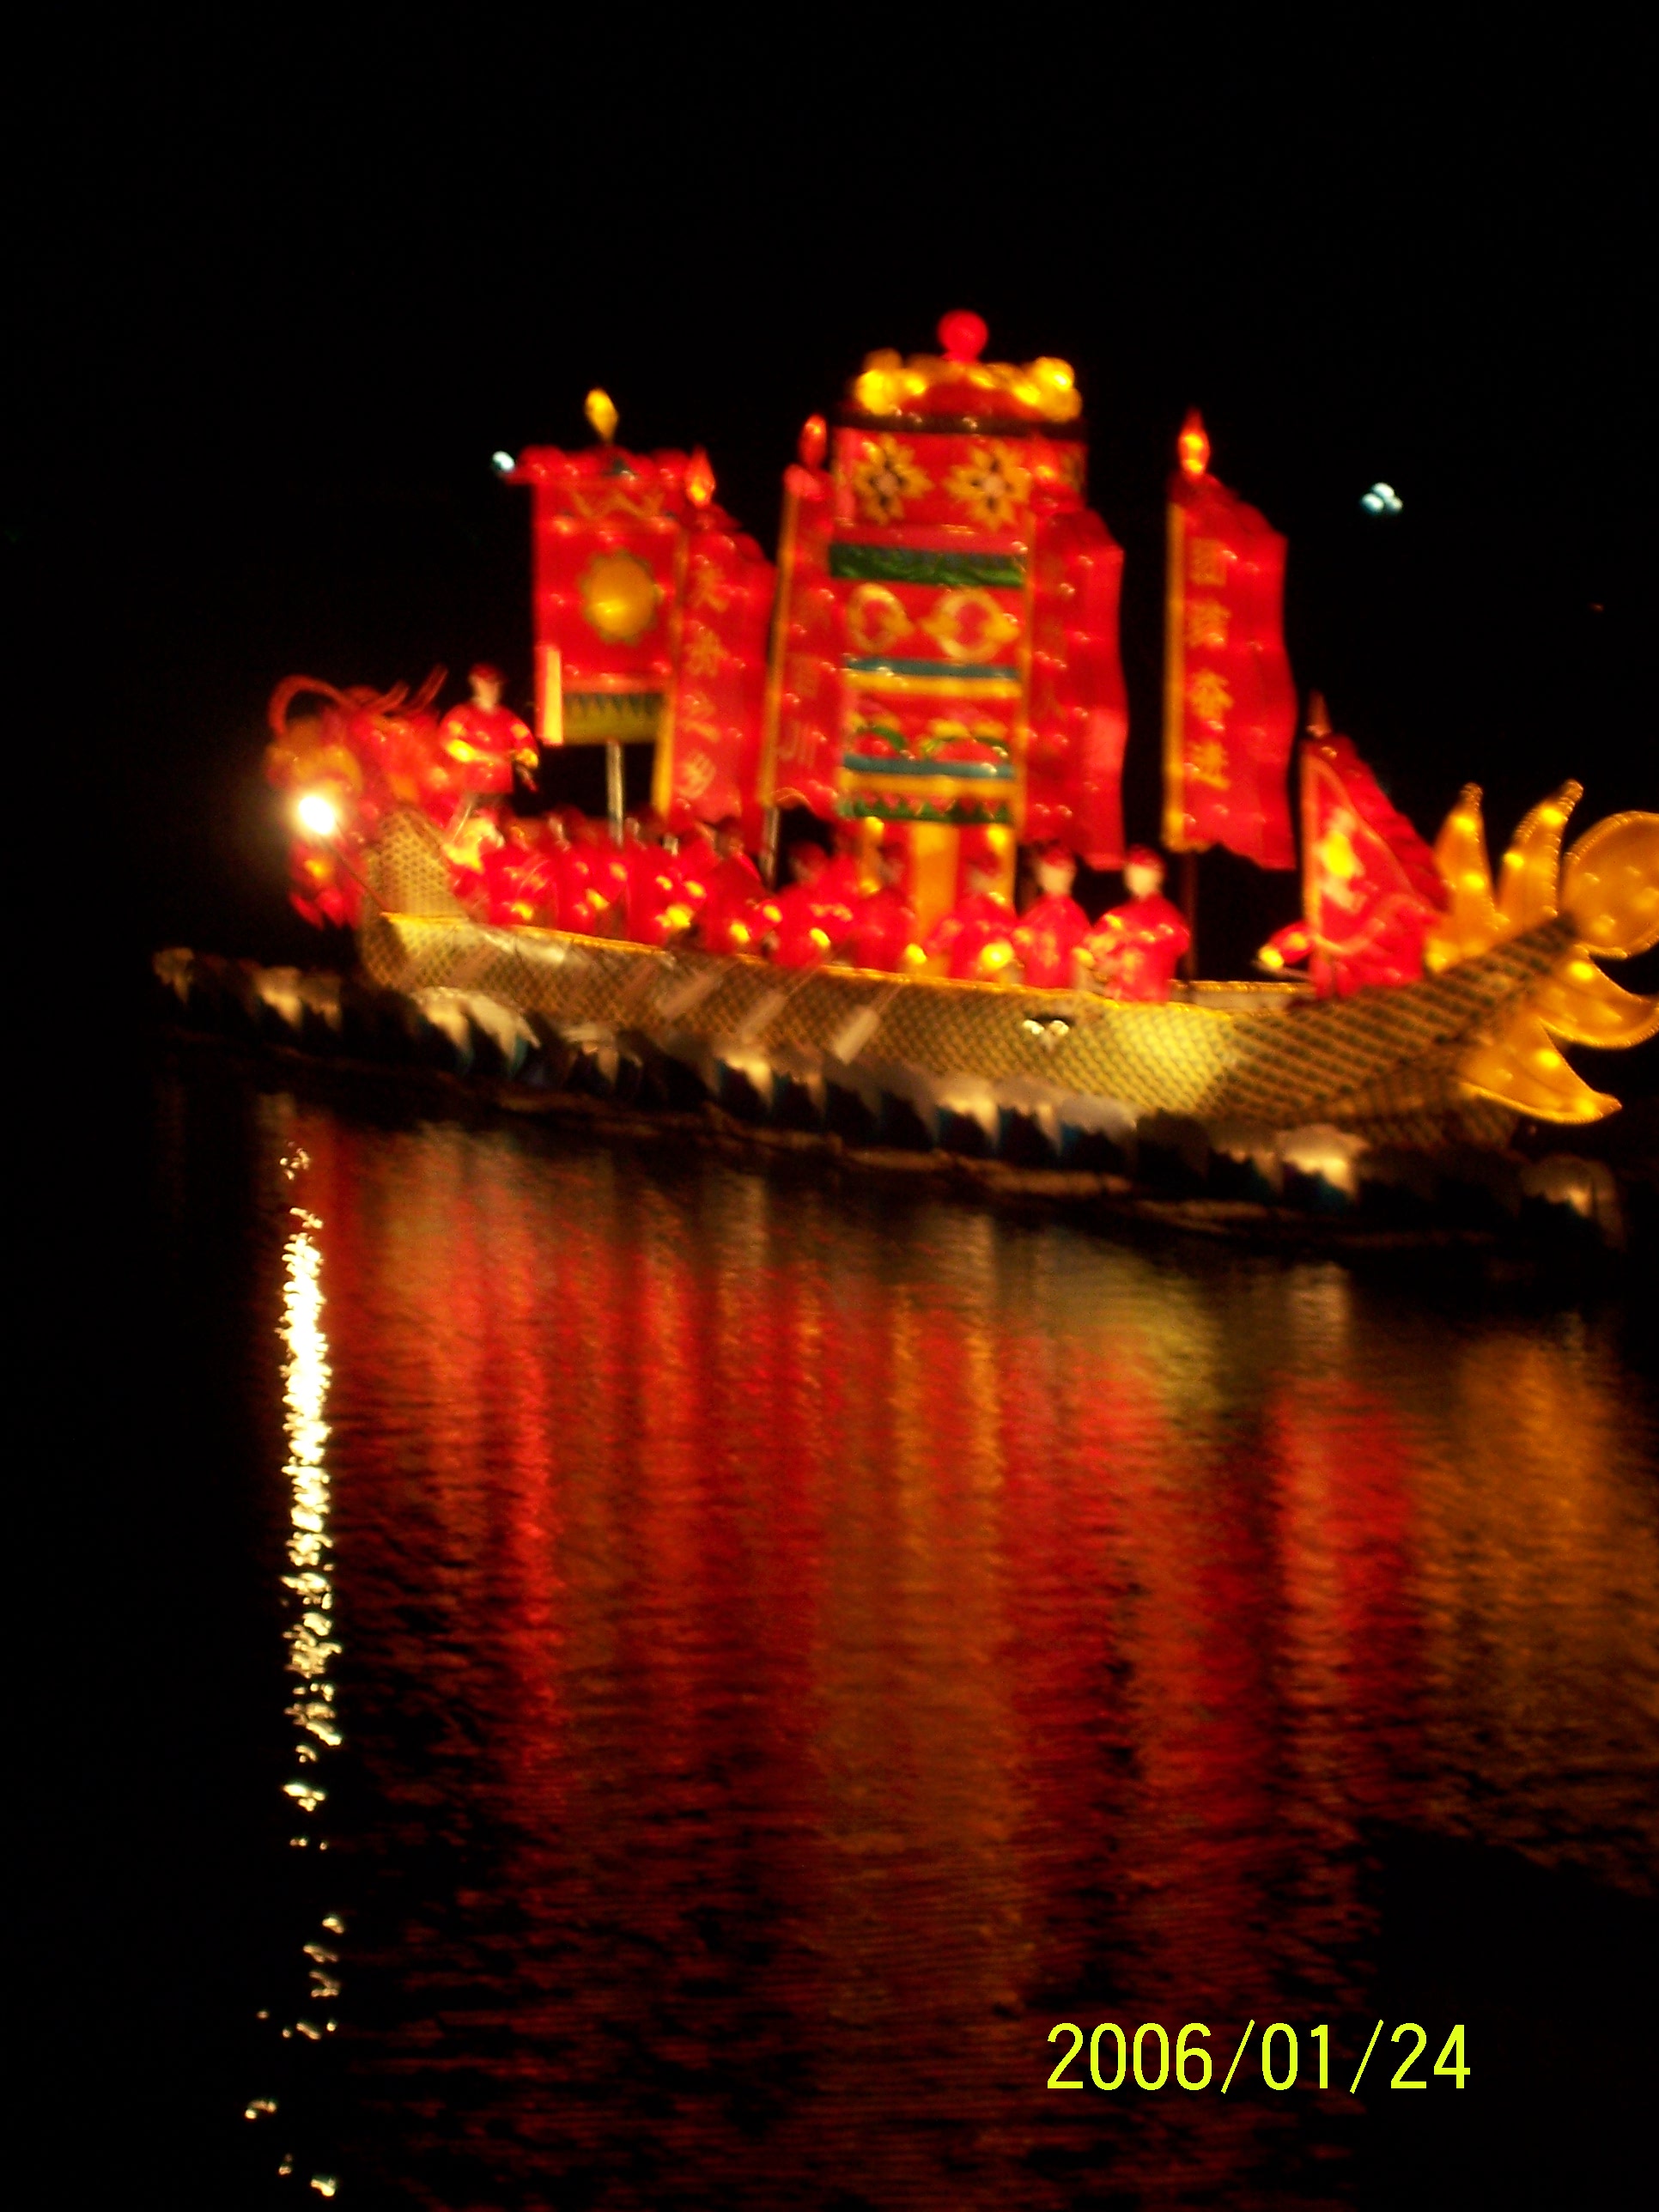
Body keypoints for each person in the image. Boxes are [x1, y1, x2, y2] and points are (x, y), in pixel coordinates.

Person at [1082, 846, 1190, 1000]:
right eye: (1130, 870)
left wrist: (1123, 955)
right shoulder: (1117, 916)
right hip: (1118, 1001)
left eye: (1140, 870)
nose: (1132, 875)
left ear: (1157, 876)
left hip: (1150, 1002)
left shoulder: (1167, 915)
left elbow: (1176, 942)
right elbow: (1092, 953)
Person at [440, 665, 538, 799]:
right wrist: (483, 757)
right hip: (468, 790)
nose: (495, 688)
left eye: (498, 684)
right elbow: (448, 741)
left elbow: (528, 746)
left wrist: (519, 759)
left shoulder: (509, 719)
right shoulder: (462, 714)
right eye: (489, 683)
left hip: (500, 792)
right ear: (476, 683)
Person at [927, 846, 1019, 981]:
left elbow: (932, 945)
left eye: (979, 873)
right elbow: (933, 945)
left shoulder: (999, 912)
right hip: (969, 982)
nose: (971, 876)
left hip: (976, 983)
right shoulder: (964, 910)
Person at [841, 836, 926, 973]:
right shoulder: (869, 902)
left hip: (885, 976)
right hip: (864, 974)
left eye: (896, 865)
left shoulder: (903, 907)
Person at [1012, 841, 1091, 988]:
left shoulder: (1072, 913)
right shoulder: (1036, 910)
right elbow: (1019, 944)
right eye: (1047, 870)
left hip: (1061, 991)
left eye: (1055, 871)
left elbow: (1083, 950)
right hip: (1034, 987)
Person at [763, 842, 854, 968]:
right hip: (785, 966)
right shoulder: (789, 896)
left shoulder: (832, 901)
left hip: (817, 970)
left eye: (815, 865)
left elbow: (846, 938)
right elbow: (769, 926)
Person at [698, 817, 768, 955]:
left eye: (722, 836)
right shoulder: (713, 865)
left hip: (733, 947)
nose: (716, 840)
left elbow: (760, 902)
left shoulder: (742, 868)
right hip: (713, 944)